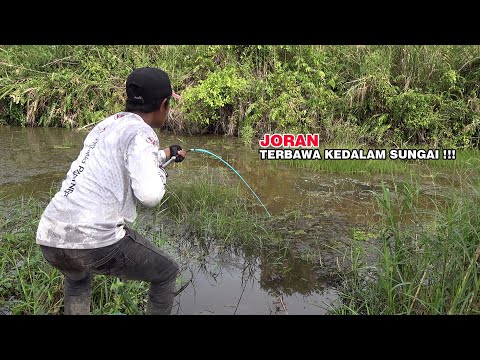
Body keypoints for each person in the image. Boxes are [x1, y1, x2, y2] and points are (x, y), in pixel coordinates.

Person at [36, 67, 187, 315]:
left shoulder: (108, 125)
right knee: (166, 272)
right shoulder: (143, 133)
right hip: (94, 242)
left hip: (50, 235)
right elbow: (150, 195)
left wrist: (168, 154)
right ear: (163, 104)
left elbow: (133, 160)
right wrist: (162, 173)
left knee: (77, 279)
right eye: (169, 103)